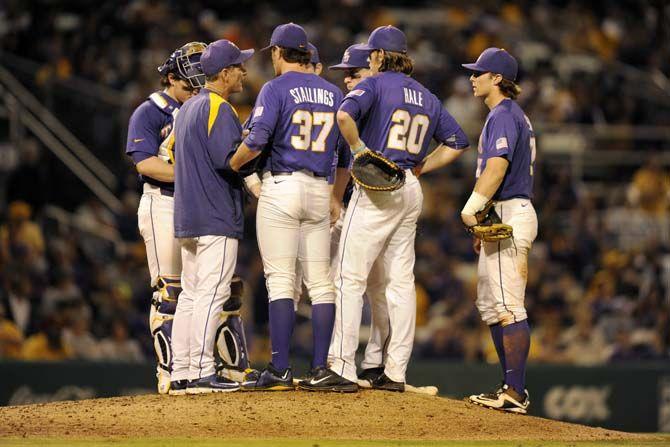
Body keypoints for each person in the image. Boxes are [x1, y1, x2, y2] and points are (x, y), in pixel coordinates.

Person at [309, 25, 469, 392]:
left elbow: (344, 117)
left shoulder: (375, 83)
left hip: (377, 184)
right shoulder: (426, 95)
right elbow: (458, 142)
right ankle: (395, 372)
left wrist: (361, 150)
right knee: (401, 282)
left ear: (379, 56)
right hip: (409, 186)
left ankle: (343, 365)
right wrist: (421, 166)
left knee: (349, 277)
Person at [230, 23, 343, 390]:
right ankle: (321, 368)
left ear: (278, 53)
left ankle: (280, 369)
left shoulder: (275, 87)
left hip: (283, 185)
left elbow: (258, 139)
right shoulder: (332, 91)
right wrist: (333, 194)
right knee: (321, 283)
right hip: (318, 189)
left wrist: (233, 164)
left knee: (280, 279)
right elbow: (341, 153)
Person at [170, 39, 254, 395]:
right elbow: (230, 160)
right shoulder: (219, 107)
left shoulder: (188, 106)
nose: (244, 71)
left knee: (190, 294)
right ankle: (203, 371)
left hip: (188, 214)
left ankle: (183, 371)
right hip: (214, 214)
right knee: (211, 293)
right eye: (238, 66)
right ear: (224, 73)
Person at [125, 41, 207, 394]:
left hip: (198, 204)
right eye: (190, 85)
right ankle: (169, 371)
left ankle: (206, 366)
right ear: (171, 79)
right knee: (169, 291)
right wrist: (196, 173)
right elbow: (145, 163)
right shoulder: (150, 111)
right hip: (163, 203)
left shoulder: (205, 108)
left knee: (208, 289)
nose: (195, 90)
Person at [460, 47, 537, 414]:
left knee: (507, 306)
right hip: (502, 212)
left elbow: (497, 167)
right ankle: (509, 387)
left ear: (497, 79)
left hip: (510, 211)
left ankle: (516, 392)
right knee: (492, 307)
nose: (472, 78)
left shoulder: (504, 114)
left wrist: (473, 207)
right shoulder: (504, 115)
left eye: (479, 72)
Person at [327, 43, 389, 386]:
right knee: (351, 284)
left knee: (379, 287)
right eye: (345, 73)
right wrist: (336, 196)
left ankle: (373, 362)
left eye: (355, 72)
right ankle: (349, 360)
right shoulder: (351, 107)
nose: (348, 78)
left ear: (375, 69)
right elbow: (340, 161)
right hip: (352, 204)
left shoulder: (380, 107)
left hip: (377, 205)